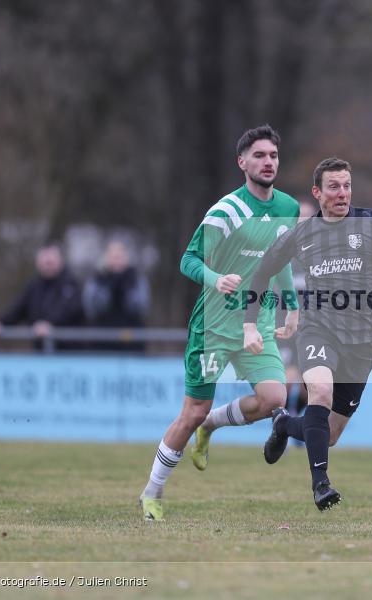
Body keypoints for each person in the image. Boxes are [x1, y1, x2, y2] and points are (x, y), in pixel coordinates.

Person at [138, 125, 300, 521]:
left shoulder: (288, 209)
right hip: (213, 325)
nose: (268, 162)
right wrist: (216, 278)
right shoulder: (225, 211)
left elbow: (279, 262)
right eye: (259, 156)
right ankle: (152, 493)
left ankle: (211, 426)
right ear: (241, 162)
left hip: (256, 322)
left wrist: (291, 304)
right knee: (191, 411)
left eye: (273, 156)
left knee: (274, 399)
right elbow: (187, 261)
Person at [243, 157, 372, 511]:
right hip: (317, 330)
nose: (342, 194)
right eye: (334, 187)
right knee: (319, 392)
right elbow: (260, 276)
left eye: (347, 186)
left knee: (330, 435)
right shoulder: (301, 235)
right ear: (317, 192)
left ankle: (282, 424)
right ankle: (321, 486)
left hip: (361, 341)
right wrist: (249, 324)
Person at [0, 242, 84, 350]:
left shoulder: (71, 285)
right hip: (41, 352)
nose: (47, 264)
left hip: (70, 354)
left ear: (60, 261)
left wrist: (50, 325)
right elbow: (18, 309)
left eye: (51, 261)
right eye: (44, 261)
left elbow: (68, 310)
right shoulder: (34, 287)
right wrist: (0, 323)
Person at [82, 240, 150, 352]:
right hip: (101, 339)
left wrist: (126, 291)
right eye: (113, 257)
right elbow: (90, 307)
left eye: (120, 257)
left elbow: (142, 307)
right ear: (106, 258)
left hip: (131, 340)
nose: (116, 260)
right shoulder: (98, 279)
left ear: (126, 259)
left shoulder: (135, 279)